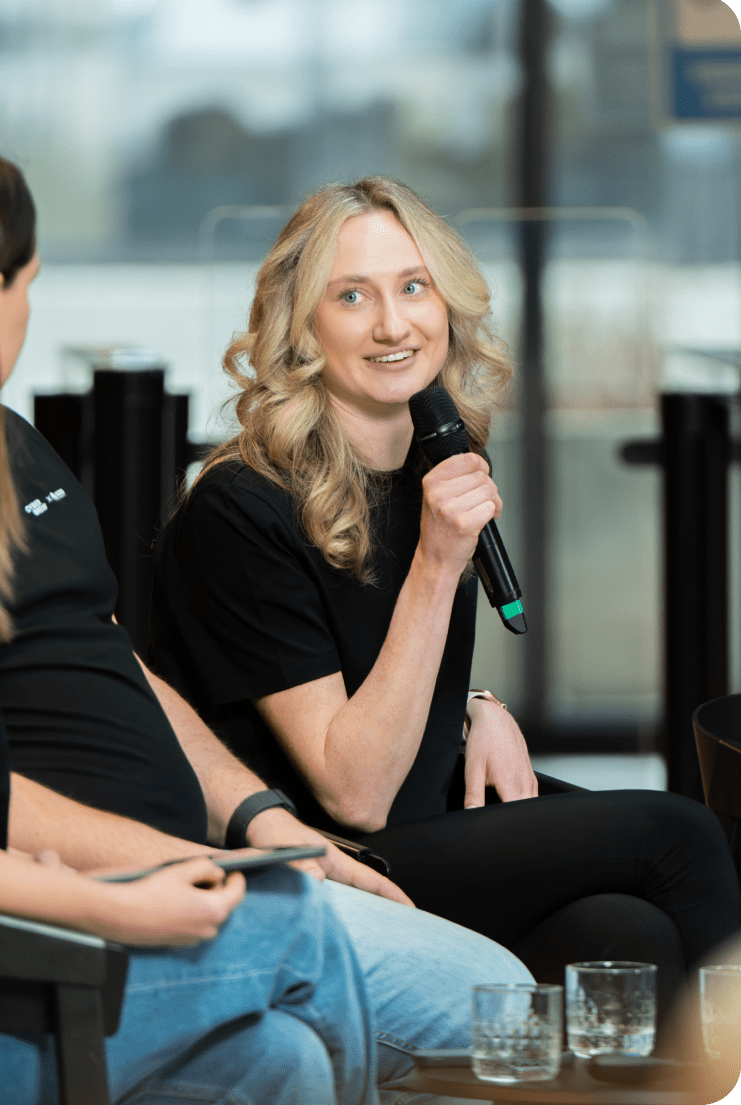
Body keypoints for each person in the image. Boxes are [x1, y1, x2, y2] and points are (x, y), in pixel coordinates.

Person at [0, 121, 535, 1101]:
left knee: (277, 1058)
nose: (29, 309)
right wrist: (117, 895)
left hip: (43, 905)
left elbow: (96, 656)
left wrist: (255, 823)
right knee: (446, 981)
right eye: (24, 281)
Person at [148, 175, 741, 1027]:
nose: (394, 325)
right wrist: (436, 562)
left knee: (622, 931)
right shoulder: (240, 508)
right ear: (301, 325)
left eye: (413, 287)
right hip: (319, 858)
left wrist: (472, 707)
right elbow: (353, 791)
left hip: (424, 822)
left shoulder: (427, 461)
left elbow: (361, 665)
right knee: (678, 833)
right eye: (352, 296)